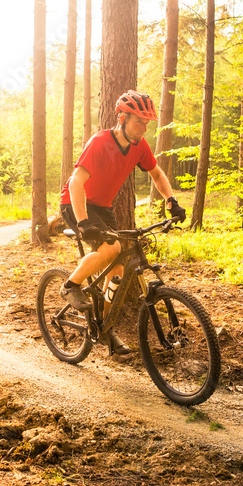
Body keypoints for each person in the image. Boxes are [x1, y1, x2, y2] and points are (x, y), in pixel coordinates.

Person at [59, 90, 187, 354]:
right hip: (75, 202)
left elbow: (157, 173)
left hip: (103, 208)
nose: (144, 128)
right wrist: (82, 222)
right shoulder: (100, 141)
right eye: (139, 121)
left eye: (146, 123)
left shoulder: (139, 146)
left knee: (118, 268)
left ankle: (104, 327)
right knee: (112, 248)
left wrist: (171, 201)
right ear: (122, 117)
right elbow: (75, 182)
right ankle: (70, 286)